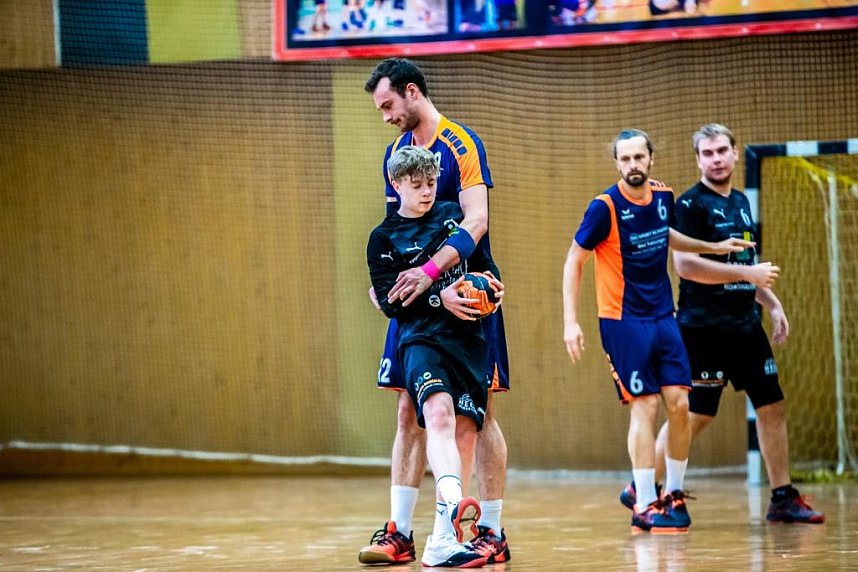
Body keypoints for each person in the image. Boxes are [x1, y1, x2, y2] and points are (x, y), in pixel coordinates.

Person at [562, 129, 754, 533]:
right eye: (625, 159)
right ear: (616, 163)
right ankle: (644, 502)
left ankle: (674, 493)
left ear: (651, 159)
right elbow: (574, 261)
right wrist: (571, 322)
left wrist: (714, 247)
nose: (633, 165)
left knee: (681, 404)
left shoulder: (663, 196)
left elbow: (666, 233)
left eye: (639, 157)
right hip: (622, 320)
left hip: (664, 317)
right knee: (645, 406)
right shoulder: (605, 207)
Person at [358, 58, 511, 564]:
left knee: (478, 414)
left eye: (387, 105)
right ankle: (399, 532)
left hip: (464, 298)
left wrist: (431, 274)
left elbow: (478, 220)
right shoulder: (396, 152)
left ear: (411, 92)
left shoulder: (461, 144)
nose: (385, 116)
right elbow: (389, 231)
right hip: (419, 310)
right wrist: (382, 285)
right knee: (409, 410)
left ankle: (487, 529)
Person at [638, 124, 824, 524]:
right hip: (703, 327)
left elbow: (743, 267)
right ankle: (644, 491)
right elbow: (686, 267)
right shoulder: (690, 205)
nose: (716, 158)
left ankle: (782, 497)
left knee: (772, 405)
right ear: (699, 159)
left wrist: (770, 301)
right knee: (694, 414)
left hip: (744, 326)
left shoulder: (741, 201)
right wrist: (752, 276)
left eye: (722, 150)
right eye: (708, 153)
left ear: (736, 153)